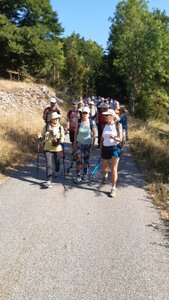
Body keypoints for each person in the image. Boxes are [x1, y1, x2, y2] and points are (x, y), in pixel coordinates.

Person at [38, 112, 65, 187]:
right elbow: (41, 134)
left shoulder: (60, 127)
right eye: (54, 118)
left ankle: (57, 171)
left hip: (57, 148)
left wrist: (61, 141)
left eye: (56, 118)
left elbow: (63, 136)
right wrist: (39, 137)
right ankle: (49, 181)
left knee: (57, 162)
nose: (55, 119)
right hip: (47, 147)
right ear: (51, 119)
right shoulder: (47, 126)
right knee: (48, 164)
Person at [100, 109, 122, 198]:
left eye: (107, 115)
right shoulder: (104, 125)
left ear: (112, 116)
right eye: (105, 115)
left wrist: (114, 138)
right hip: (105, 148)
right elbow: (102, 138)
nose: (105, 117)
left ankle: (113, 188)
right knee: (105, 167)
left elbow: (121, 139)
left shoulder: (118, 125)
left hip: (115, 148)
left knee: (113, 168)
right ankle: (105, 175)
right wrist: (101, 148)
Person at [75, 106, 96, 183]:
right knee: (78, 160)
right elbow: (76, 133)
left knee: (86, 160)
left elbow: (94, 134)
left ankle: (85, 174)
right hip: (79, 144)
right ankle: (78, 175)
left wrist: (92, 146)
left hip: (88, 145)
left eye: (86, 113)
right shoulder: (79, 121)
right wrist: (74, 143)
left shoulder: (91, 122)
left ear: (89, 114)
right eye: (83, 113)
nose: (84, 114)